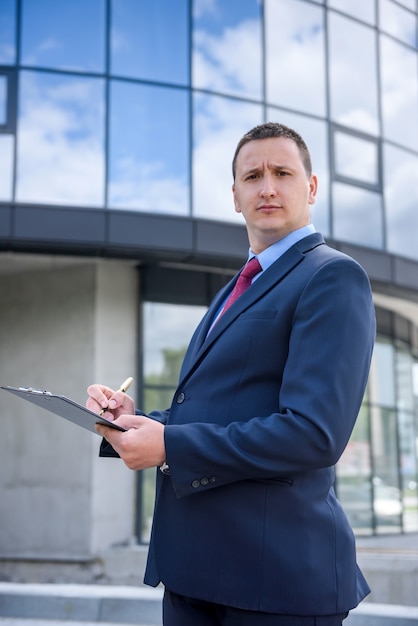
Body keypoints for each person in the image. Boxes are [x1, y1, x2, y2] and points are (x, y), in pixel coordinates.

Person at [87, 122, 376, 626]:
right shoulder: (234, 289)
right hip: (192, 573)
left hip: (272, 584)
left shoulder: (332, 276)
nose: (267, 187)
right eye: (252, 176)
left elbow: (314, 433)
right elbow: (220, 409)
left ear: (310, 188)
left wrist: (170, 445)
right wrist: (134, 422)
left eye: (282, 173)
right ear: (235, 196)